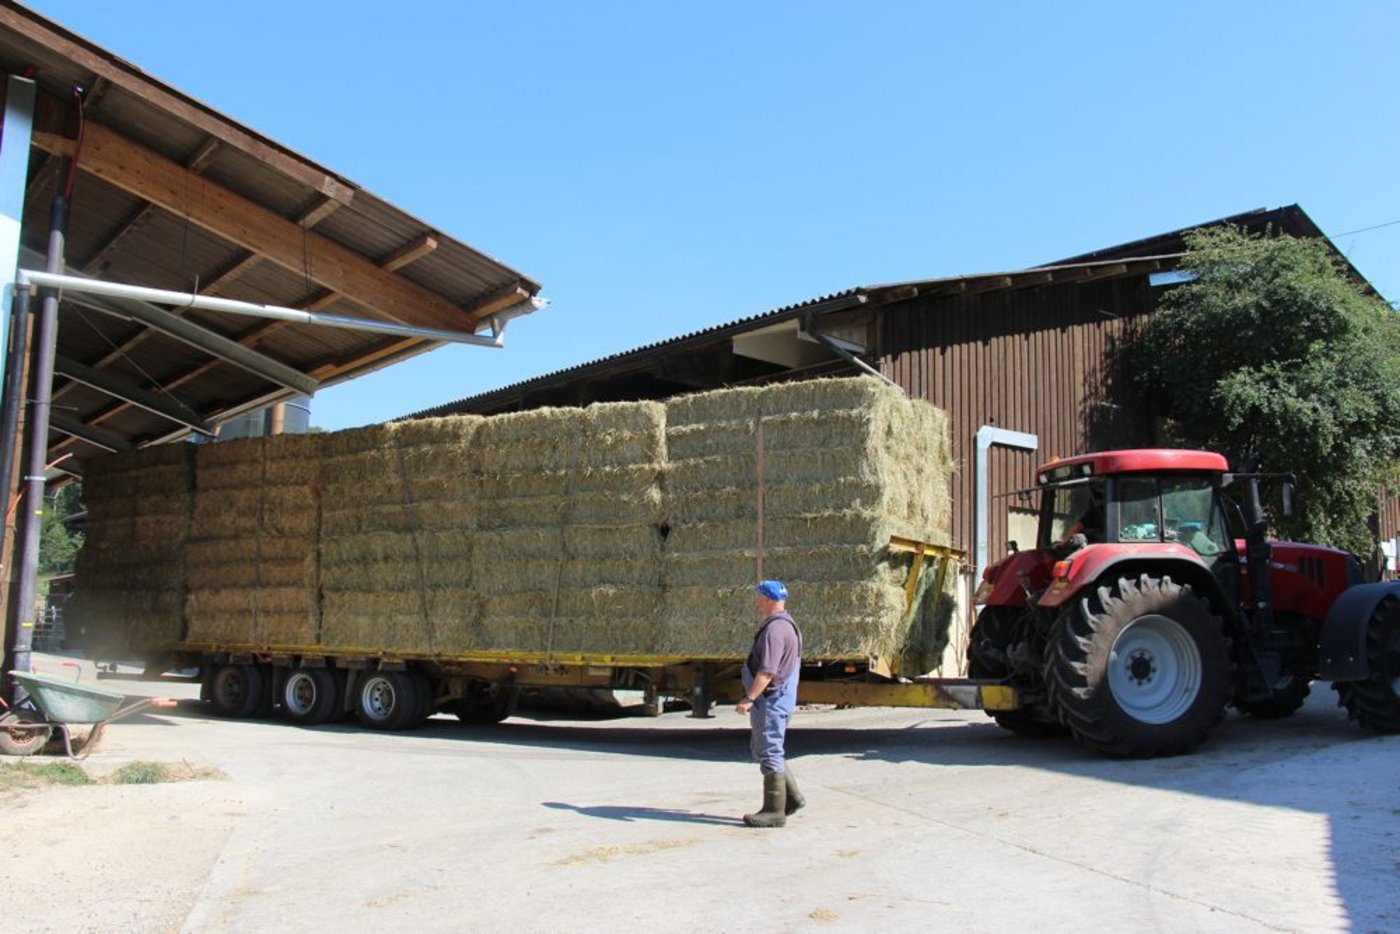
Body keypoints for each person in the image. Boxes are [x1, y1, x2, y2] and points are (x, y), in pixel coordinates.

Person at [735, 579, 804, 828]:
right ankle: (793, 798)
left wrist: (749, 698)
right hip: (780, 698)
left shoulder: (775, 630)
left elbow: (767, 671)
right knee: (766, 748)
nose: (757, 603)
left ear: (765, 598)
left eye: (758, 598)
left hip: (770, 699)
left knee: (770, 751)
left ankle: (774, 811)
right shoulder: (789, 624)